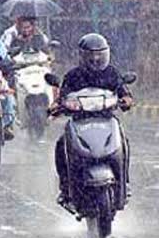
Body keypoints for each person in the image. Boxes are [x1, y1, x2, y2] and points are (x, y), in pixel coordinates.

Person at [53, 33, 133, 209]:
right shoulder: (73, 76)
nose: (96, 59)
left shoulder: (111, 73)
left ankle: (124, 183)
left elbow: (124, 92)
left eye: (99, 54)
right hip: (79, 122)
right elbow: (62, 96)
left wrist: (126, 99)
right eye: (91, 55)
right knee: (61, 146)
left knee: (124, 143)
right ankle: (65, 188)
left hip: (106, 120)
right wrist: (57, 105)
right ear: (82, 56)